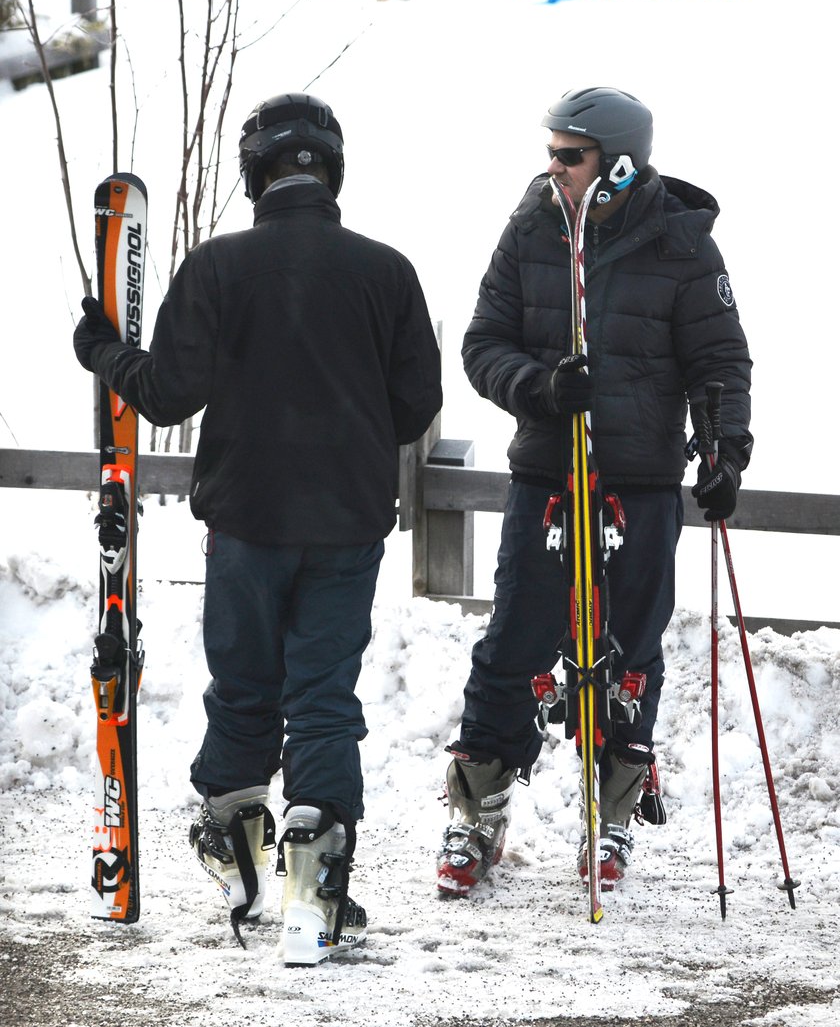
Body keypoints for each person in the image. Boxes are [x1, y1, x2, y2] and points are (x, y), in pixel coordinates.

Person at [74, 92, 442, 964]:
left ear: (255, 173)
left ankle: (237, 846)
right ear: (331, 169)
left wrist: (103, 351)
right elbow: (416, 407)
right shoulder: (387, 271)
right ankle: (314, 886)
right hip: (349, 522)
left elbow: (164, 394)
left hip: (245, 518)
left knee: (243, 686)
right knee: (322, 695)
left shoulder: (216, 267)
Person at [436, 86, 752, 896]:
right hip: (548, 469)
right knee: (514, 641)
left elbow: (721, 364)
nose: (552, 166)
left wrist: (723, 454)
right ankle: (478, 809)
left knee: (631, 652)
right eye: (549, 150)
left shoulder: (682, 245)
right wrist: (541, 387)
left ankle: (610, 812)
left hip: (639, 479)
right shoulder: (532, 224)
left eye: (567, 154)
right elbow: (482, 344)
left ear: (616, 163)